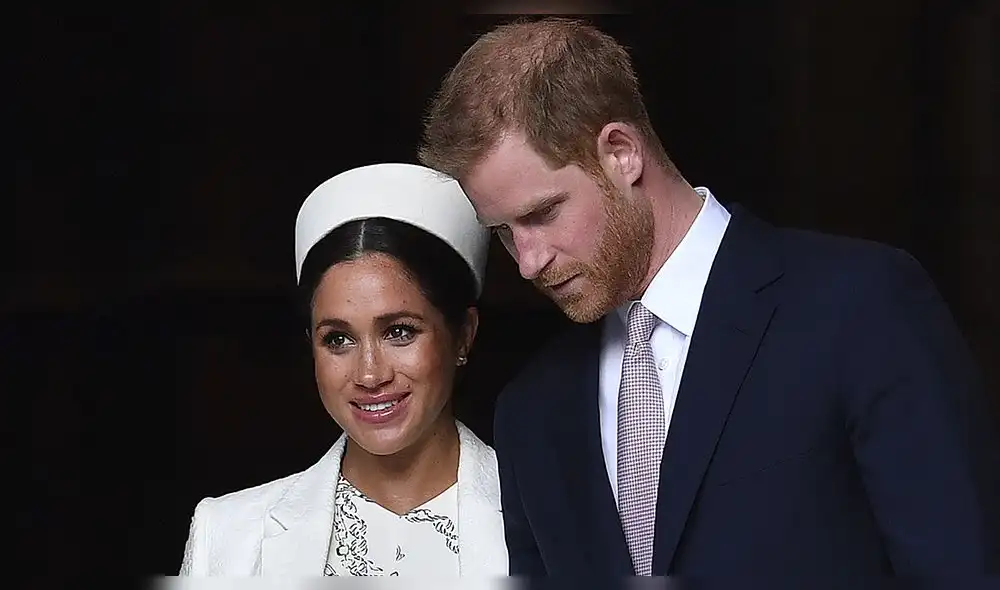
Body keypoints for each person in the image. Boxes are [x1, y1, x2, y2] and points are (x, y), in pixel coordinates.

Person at [417, 17, 1000, 578]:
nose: (526, 262)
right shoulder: (531, 411)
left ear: (621, 152)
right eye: (502, 233)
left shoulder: (859, 308)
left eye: (542, 214)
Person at [178, 163, 507, 577]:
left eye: (399, 332)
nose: (370, 375)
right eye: (338, 339)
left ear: (463, 335)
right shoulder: (228, 535)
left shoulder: (546, 516)